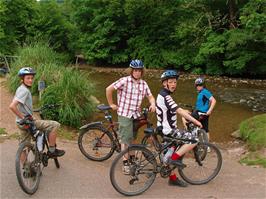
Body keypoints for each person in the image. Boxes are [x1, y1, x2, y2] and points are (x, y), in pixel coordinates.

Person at [106, 59, 156, 174]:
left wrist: (153, 103)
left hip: (135, 115)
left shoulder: (144, 84)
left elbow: (150, 96)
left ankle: (132, 159)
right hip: (125, 114)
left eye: (139, 70)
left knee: (133, 138)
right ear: (131, 71)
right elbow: (108, 89)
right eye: (135, 70)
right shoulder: (124, 81)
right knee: (125, 139)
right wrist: (111, 104)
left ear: (142, 71)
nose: (137, 72)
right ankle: (125, 163)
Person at [156, 70, 202, 187]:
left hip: (162, 128)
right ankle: (174, 160)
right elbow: (179, 111)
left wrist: (183, 112)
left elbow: (174, 108)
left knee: (171, 151)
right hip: (169, 130)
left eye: (175, 82)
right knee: (194, 140)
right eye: (170, 82)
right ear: (164, 83)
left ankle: (172, 178)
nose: (173, 84)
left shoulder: (163, 94)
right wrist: (195, 121)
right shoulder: (166, 96)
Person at [9, 67, 65, 158]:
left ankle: (25, 169)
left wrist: (28, 115)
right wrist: (24, 117)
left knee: (23, 146)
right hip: (26, 122)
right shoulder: (24, 91)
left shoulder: (20, 88)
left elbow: (22, 106)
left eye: (31, 78)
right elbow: (12, 106)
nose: (30, 80)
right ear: (22, 79)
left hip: (20, 123)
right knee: (54, 125)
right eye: (28, 78)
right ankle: (52, 151)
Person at [192, 77, 216, 143]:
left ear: (203, 85)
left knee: (187, 119)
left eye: (200, 85)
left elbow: (213, 100)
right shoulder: (201, 92)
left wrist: (209, 111)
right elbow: (203, 103)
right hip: (201, 112)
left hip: (202, 113)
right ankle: (206, 145)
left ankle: (192, 141)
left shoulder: (205, 92)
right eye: (197, 85)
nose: (198, 86)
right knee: (205, 129)